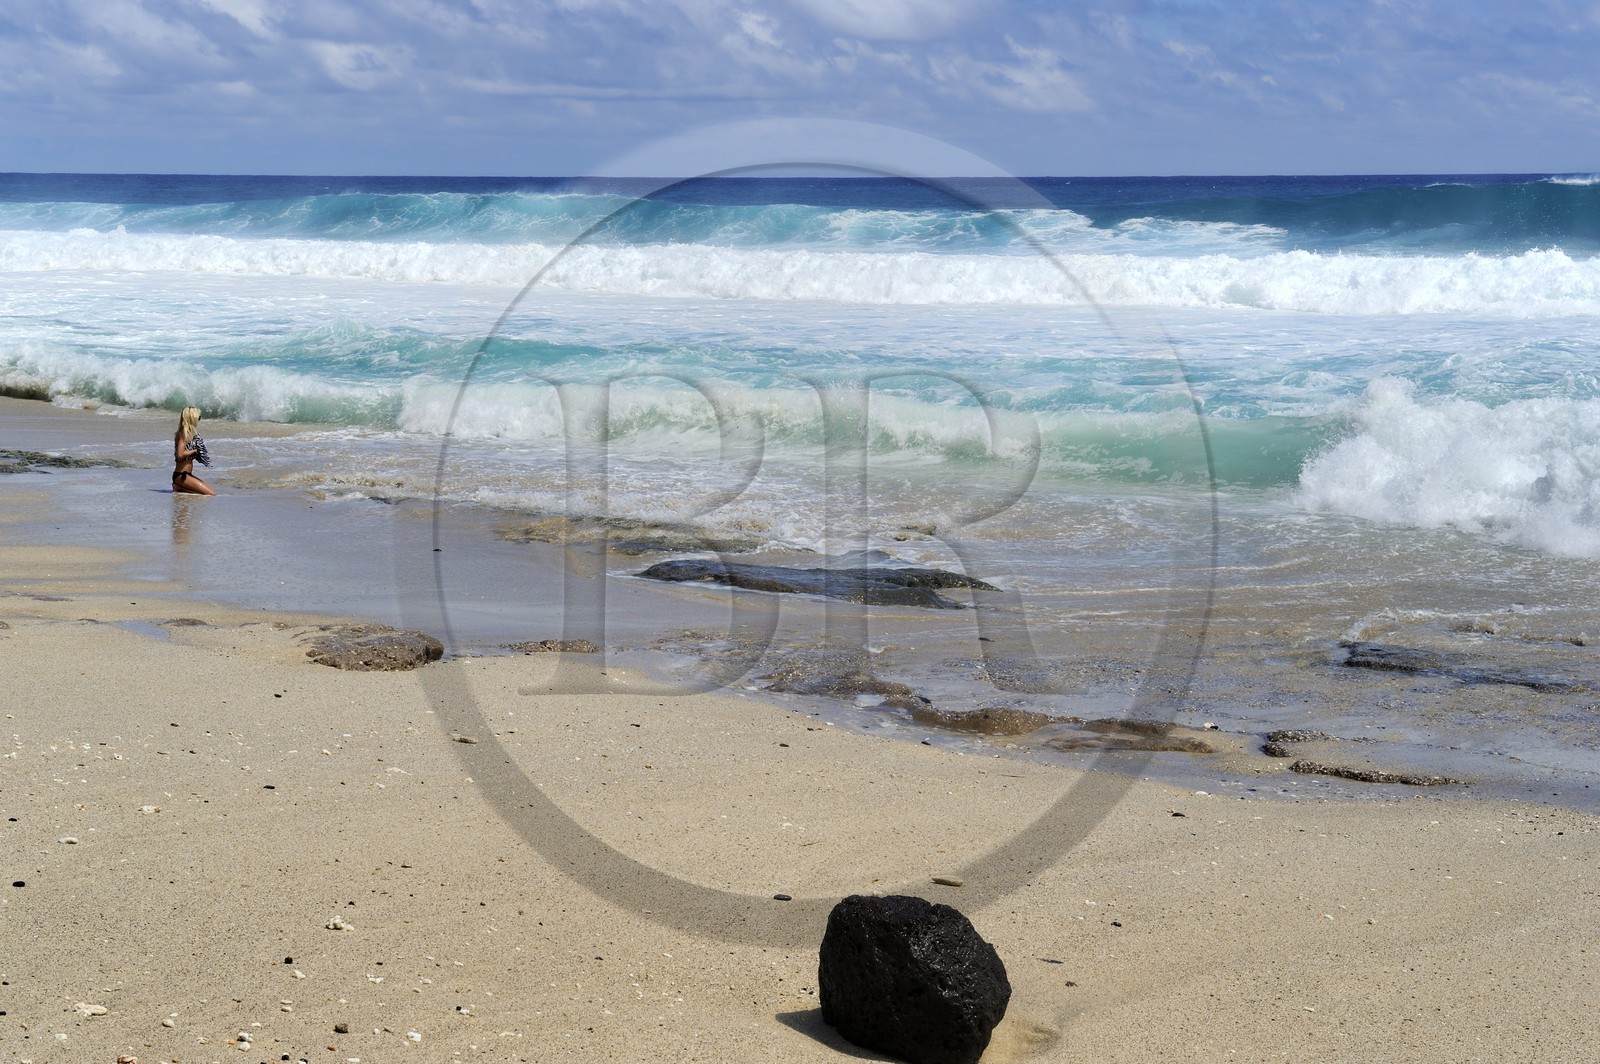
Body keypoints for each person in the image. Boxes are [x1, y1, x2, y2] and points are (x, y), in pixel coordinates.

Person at [172, 406, 216, 496]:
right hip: (181, 475)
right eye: (198, 418)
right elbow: (180, 454)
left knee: (205, 493)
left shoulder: (189, 434)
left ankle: (180, 487)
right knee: (211, 494)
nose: (198, 420)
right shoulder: (183, 434)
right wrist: (194, 451)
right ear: (192, 418)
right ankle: (179, 486)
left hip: (187, 475)